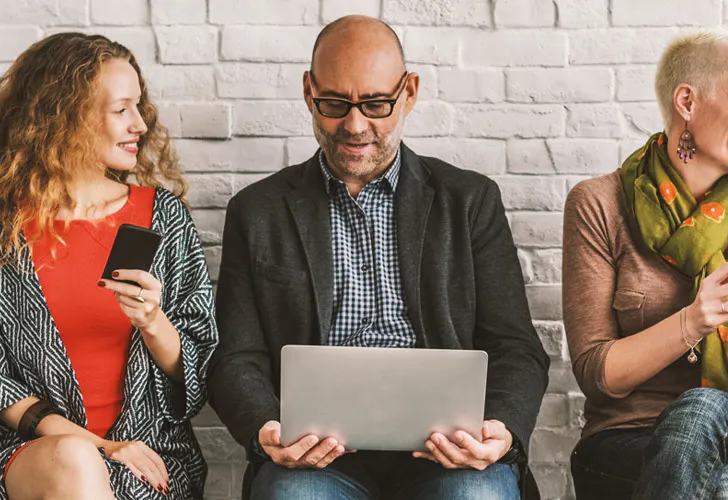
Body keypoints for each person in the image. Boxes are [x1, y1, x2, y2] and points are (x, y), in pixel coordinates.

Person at [207, 15, 550, 500]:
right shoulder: (258, 211)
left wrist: (500, 430)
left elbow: (518, 348)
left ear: (408, 92)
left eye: (375, 103)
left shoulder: (469, 201)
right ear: (309, 92)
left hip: (449, 453)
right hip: (313, 458)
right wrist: (266, 428)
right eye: (333, 104)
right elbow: (236, 356)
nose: (354, 125)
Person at [0, 32, 218, 500]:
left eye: (139, 107)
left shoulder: (163, 217)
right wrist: (103, 447)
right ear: (66, 118)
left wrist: (152, 321)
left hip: (151, 457)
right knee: (74, 459)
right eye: (120, 109)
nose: (140, 126)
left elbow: (201, 365)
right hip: (42, 457)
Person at [561, 30, 728, 500]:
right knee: (727, 488)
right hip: (625, 439)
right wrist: (691, 322)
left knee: (702, 408)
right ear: (687, 100)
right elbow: (597, 375)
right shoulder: (599, 204)